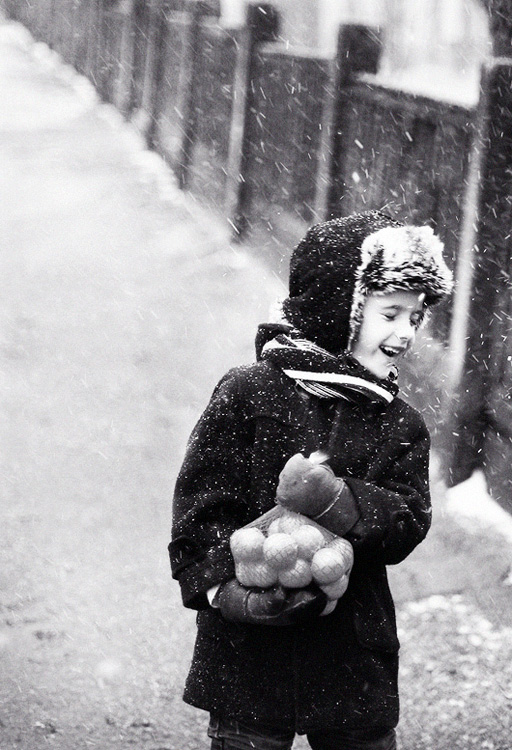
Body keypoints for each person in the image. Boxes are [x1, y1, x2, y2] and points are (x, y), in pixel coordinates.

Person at [169, 210, 453, 750]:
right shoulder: (248, 392)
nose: (405, 332)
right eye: (390, 313)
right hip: (248, 657)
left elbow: (408, 521)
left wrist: (340, 502)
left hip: (351, 655)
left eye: (415, 317)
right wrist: (230, 593)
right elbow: (200, 509)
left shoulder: (399, 422)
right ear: (338, 308)